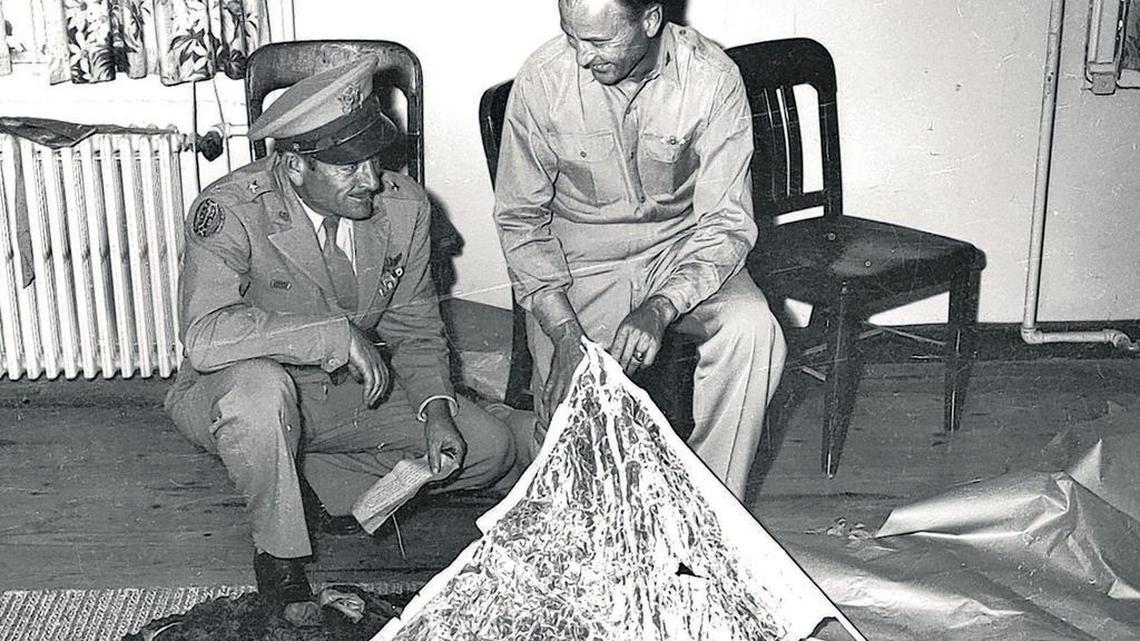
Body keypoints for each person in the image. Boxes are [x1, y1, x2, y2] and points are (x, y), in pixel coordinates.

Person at [164, 56, 516, 607]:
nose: (372, 180)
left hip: (347, 397)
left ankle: (309, 483)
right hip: (243, 388)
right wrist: (333, 336)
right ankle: (279, 556)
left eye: (374, 160)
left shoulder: (404, 208)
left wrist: (436, 408)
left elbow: (414, 325)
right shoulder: (231, 210)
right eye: (349, 168)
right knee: (260, 398)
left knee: (488, 449)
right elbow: (206, 334)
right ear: (296, 164)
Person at [493, 0, 786, 500]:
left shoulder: (712, 78)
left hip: (681, 248)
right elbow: (520, 221)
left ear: (650, 20)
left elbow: (726, 223)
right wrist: (565, 334)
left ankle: (713, 512)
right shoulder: (544, 78)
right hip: (580, 262)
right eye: (571, 36)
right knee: (570, 429)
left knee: (752, 329)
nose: (582, 57)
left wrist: (663, 303)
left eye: (599, 42)